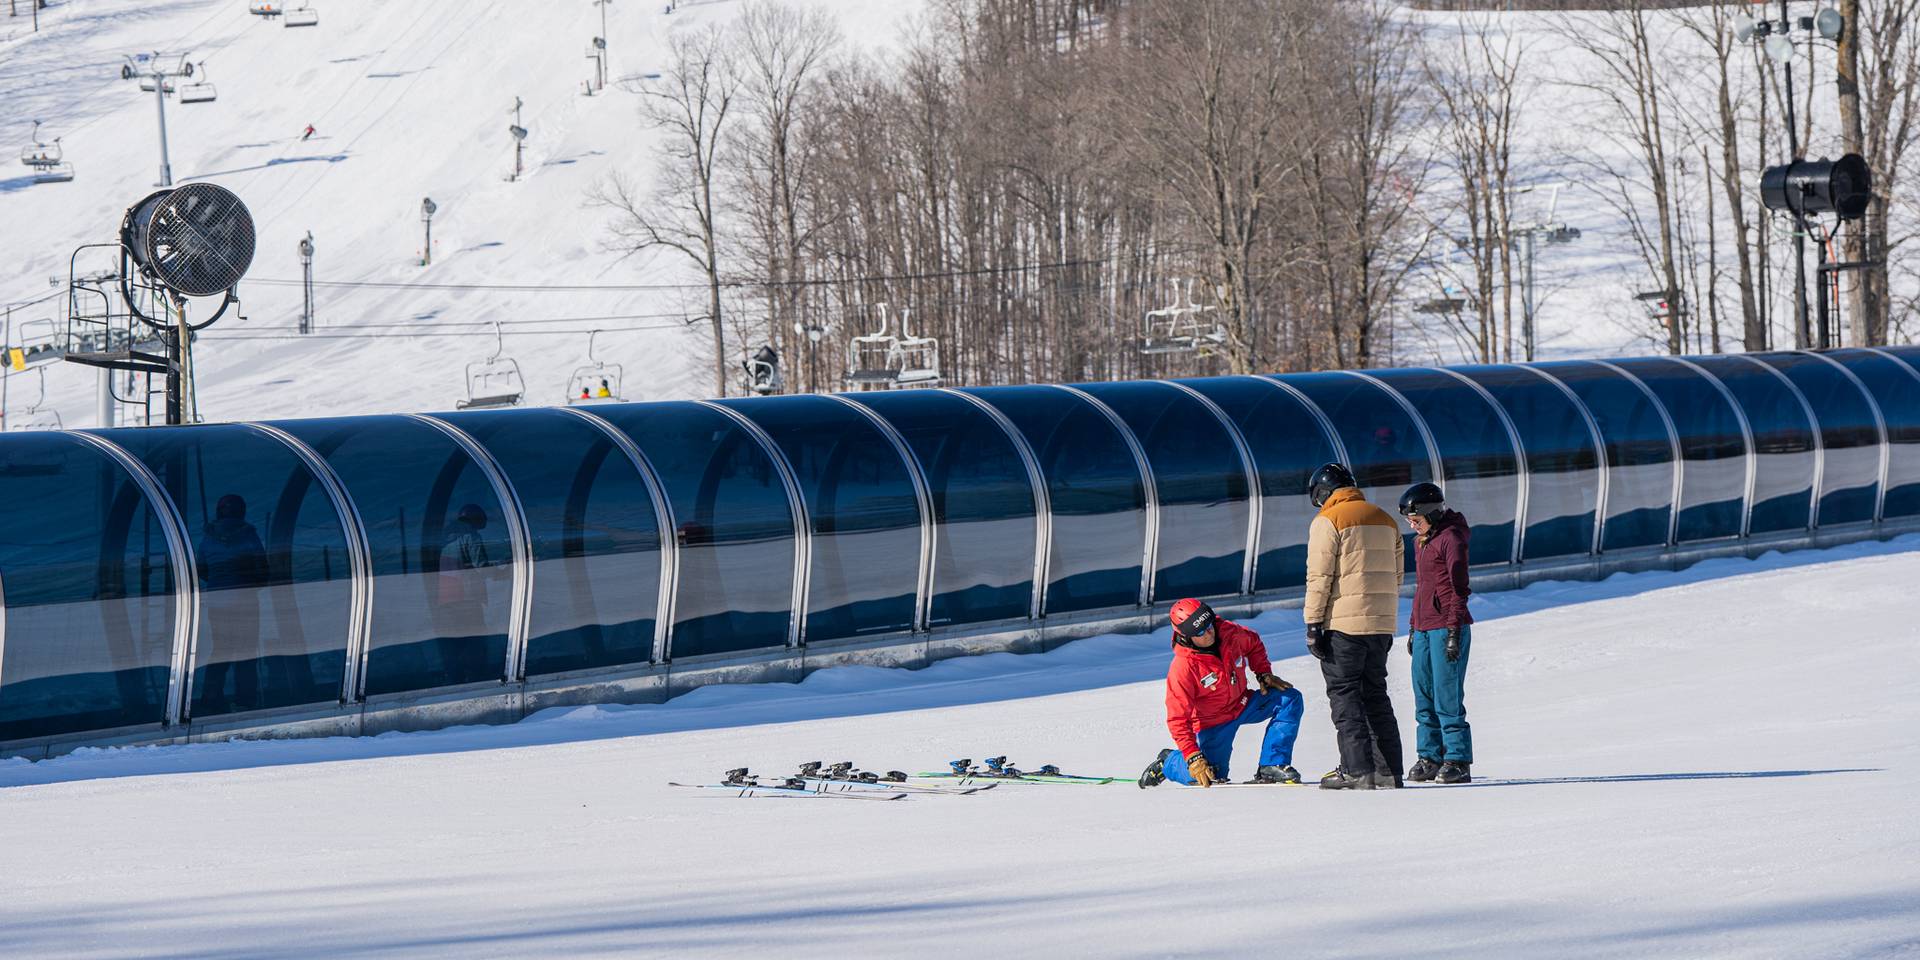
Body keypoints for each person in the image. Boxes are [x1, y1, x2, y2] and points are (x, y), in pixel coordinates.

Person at [1303, 462, 1407, 790]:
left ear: (1323, 493)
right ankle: (1389, 771)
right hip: (1380, 624)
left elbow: (1319, 578)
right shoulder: (1384, 518)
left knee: (1345, 696)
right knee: (1375, 694)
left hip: (1343, 626)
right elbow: (1397, 575)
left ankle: (1356, 769)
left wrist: (1313, 624)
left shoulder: (1328, 520)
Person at [1138, 598, 1304, 788]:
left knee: (1289, 699)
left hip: (1243, 703)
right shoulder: (1183, 668)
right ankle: (1169, 762)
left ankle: (1272, 764)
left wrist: (1263, 672)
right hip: (1213, 722)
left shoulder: (1228, 632)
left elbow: (1253, 643)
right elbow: (1178, 720)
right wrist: (1193, 757)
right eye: (1200, 632)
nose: (1209, 633)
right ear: (1186, 636)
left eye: (1209, 626)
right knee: (1210, 776)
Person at [1399, 482, 1474, 784]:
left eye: (1416, 519)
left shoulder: (1451, 539)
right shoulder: (1422, 542)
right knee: (1423, 695)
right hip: (1425, 627)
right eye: (1409, 521)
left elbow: (1458, 589)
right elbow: (1422, 589)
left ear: (1431, 513)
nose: (1412, 525)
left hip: (1447, 627)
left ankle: (1457, 758)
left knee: (1447, 696)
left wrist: (1454, 630)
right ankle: (1429, 756)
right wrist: (1413, 627)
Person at [195, 493, 270, 714]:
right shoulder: (248, 536)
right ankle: (245, 700)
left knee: (220, 651)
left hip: (217, 603)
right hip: (245, 601)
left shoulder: (208, 538)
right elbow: (263, 569)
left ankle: (211, 698)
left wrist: (219, 584)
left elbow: (202, 569)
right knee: (246, 653)